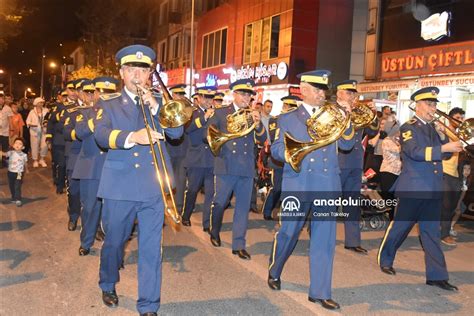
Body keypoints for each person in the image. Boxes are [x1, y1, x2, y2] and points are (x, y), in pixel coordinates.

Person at [94, 44, 183, 315]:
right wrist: (132, 137)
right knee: (114, 241)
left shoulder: (159, 103)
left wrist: (155, 106)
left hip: (153, 187)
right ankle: (108, 281)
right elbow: (101, 135)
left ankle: (149, 305)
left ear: (149, 75)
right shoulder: (108, 104)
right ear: (122, 73)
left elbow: (177, 133)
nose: (137, 75)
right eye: (131, 69)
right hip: (119, 186)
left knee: (151, 248)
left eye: (143, 70)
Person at [268, 70, 355, 310]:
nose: (321, 94)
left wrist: (347, 117)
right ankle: (275, 269)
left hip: (327, 183)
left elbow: (347, 144)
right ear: (303, 89)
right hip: (299, 182)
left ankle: (319, 291)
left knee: (325, 239)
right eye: (317, 90)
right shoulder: (287, 118)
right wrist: (290, 154)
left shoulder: (335, 114)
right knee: (289, 232)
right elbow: (276, 148)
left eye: (323, 90)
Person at [377, 86, 463, 292]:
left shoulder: (434, 129)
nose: (433, 108)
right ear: (417, 105)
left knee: (431, 233)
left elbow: (444, 156)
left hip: (433, 188)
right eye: (429, 104)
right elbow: (414, 152)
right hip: (413, 188)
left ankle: (437, 275)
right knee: (400, 228)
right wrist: (443, 147)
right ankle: (386, 259)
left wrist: (444, 139)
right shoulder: (409, 127)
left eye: (434, 104)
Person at [208, 78, 267, 260]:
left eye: (249, 95)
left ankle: (238, 244)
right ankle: (214, 230)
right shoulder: (220, 113)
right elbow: (208, 135)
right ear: (234, 94)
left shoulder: (252, 114)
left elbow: (262, 137)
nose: (246, 98)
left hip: (246, 166)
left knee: (242, 208)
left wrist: (258, 125)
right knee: (220, 202)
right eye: (242, 94)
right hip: (226, 164)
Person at [337, 80, 378, 254]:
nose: (354, 97)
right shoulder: (332, 111)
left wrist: (374, 115)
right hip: (337, 162)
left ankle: (352, 241)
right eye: (350, 93)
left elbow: (373, 132)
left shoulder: (359, 113)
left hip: (355, 163)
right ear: (340, 94)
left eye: (355, 93)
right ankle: (319, 233)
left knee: (352, 203)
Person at [181, 86, 216, 232]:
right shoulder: (192, 113)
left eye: (210, 98)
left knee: (210, 192)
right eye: (205, 98)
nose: (208, 101)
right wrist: (204, 117)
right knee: (193, 190)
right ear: (199, 99)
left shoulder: (216, 114)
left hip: (211, 159)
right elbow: (187, 129)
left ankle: (207, 223)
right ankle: (186, 215)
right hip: (196, 159)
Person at [261, 95, 300, 220]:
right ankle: (267, 210)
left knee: (290, 189)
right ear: (284, 106)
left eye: (293, 107)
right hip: (279, 161)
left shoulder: (300, 121)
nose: (290, 109)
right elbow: (274, 138)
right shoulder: (276, 120)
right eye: (288, 107)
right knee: (277, 188)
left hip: (294, 161)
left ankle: (287, 215)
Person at [440, 107, 465, 246]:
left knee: (452, 205)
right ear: (450, 118)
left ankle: (443, 230)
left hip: (454, 172)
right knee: (447, 205)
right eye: (457, 117)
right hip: (445, 170)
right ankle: (444, 234)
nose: (460, 120)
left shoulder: (458, 132)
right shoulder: (445, 130)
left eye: (462, 118)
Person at [165, 83, 189, 212]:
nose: (180, 96)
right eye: (178, 94)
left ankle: (178, 206)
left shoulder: (185, 108)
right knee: (166, 179)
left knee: (180, 179)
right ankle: (163, 203)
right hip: (168, 148)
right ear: (172, 94)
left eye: (182, 94)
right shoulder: (166, 107)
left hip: (182, 148)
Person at [379, 120, 401, 220]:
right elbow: (399, 150)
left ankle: (392, 217)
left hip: (397, 172)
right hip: (388, 172)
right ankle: (390, 217)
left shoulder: (396, 140)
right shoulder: (387, 141)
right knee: (389, 197)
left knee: (394, 197)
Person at [3, 137, 28, 206]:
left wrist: (27, 169)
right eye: (16, 143)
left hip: (19, 173)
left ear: (23, 147)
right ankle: (13, 197)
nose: (17, 145)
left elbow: (25, 163)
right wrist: (1, 153)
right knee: (11, 186)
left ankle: (18, 199)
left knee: (17, 186)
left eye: (20, 144)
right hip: (10, 172)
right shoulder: (10, 153)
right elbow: (4, 154)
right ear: (13, 145)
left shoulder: (24, 155)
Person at [26, 97, 49, 167]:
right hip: (34, 131)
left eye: (42, 102)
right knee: (34, 145)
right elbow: (28, 122)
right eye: (40, 102)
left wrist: (46, 124)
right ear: (36, 103)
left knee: (44, 145)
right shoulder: (32, 112)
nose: (42, 103)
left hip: (44, 131)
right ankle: (35, 160)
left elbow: (49, 119)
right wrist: (35, 125)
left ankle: (42, 159)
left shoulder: (46, 110)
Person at [1, 93, 14, 167]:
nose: (1, 100)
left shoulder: (8, 108)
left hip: (5, 132)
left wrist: (11, 130)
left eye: (2, 99)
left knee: (5, 147)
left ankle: (4, 162)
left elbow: (10, 120)